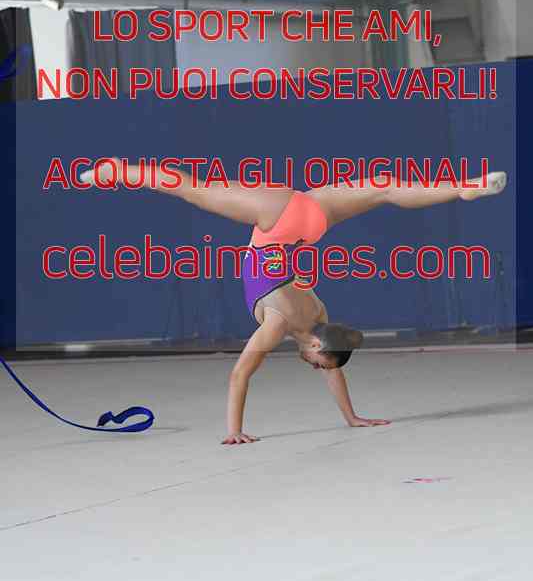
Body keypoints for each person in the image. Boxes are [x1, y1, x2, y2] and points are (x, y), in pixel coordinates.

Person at [81, 160, 507, 445]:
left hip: (310, 217)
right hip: (278, 220)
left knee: (385, 188)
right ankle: (116, 170)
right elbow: (238, 374)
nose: (317, 368)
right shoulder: (280, 323)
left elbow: (334, 367)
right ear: (317, 345)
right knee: (191, 188)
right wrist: (234, 430)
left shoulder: (319, 313)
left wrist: (352, 417)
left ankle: (461, 188)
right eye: (319, 363)